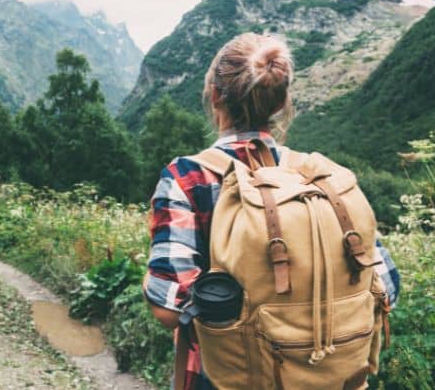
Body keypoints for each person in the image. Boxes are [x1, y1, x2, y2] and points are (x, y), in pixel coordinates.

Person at [142, 33, 400, 389]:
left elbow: (169, 309)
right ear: (282, 103)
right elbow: (386, 286)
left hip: (221, 378)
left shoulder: (188, 178)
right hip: (331, 378)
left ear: (215, 95)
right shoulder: (319, 178)